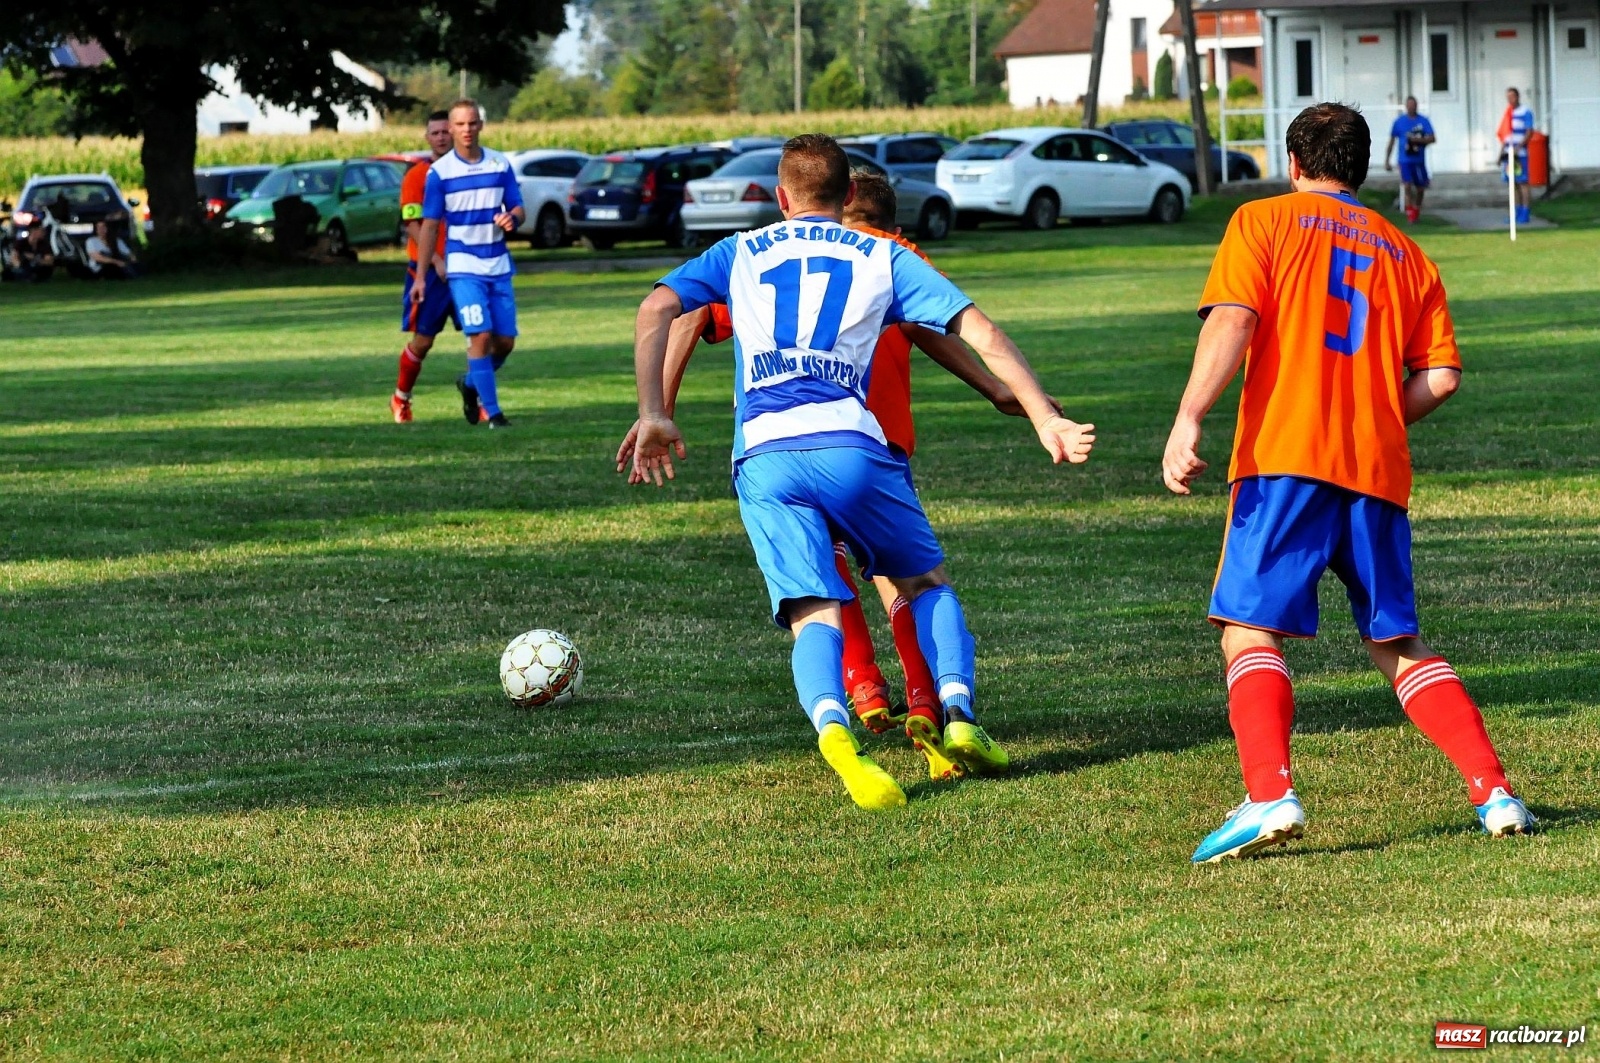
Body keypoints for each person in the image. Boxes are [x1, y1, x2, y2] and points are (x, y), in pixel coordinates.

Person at [629, 134, 1096, 809]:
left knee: (814, 610)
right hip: (853, 444)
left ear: (781, 196)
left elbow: (658, 309)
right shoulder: (885, 254)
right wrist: (1041, 415)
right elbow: (980, 332)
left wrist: (653, 411)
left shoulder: (739, 251)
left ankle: (837, 731)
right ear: (851, 195)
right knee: (921, 581)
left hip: (764, 454)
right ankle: (958, 712)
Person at [1161, 102, 1533, 863]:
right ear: (1360, 169)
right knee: (1398, 641)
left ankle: (1270, 792)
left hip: (1284, 456)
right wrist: (1374, 414)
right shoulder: (1408, 252)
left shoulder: (1261, 221)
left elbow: (1231, 319)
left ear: (1294, 163)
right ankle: (1495, 792)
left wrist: (1189, 416)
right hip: (1375, 469)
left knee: (1248, 628)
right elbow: (1442, 377)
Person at [411, 98, 524, 428]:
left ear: (481, 125)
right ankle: (495, 415)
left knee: (506, 342)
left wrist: (511, 219)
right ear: (450, 128)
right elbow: (429, 225)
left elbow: (518, 207)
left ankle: (470, 383)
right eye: (459, 125)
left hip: (498, 264)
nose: (466, 130)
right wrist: (421, 276)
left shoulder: (499, 165)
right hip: (463, 266)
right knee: (480, 336)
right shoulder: (440, 173)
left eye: (472, 123)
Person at [391, 110, 460, 424]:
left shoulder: (467, 171)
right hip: (431, 272)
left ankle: (486, 402)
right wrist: (435, 260)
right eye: (436, 133)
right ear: (427, 138)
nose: (442, 137)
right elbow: (414, 225)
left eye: (446, 131)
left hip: (467, 269)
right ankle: (401, 398)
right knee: (424, 340)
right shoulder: (417, 176)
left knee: (482, 337)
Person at [1384, 96, 1435, 223]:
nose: (1412, 107)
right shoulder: (1399, 122)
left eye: (1414, 105)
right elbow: (1392, 141)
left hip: (1418, 160)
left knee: (1420, 188)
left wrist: (1418, 140)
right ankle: (1410, 214)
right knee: (1407, 185)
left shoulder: (1423, 121)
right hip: (1404, 160)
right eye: (1409, 105)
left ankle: (1416, 209)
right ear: (1406, 106)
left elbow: (1432, 138)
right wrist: (1387, 160)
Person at [1498, 87, 1535, 226]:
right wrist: (1501, 152)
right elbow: (1505, 134)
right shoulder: (1508, 113)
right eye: (1508, 97)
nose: (1510, 99)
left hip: (1520, 154)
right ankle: (1516, 212)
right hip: (1508, 153)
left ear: (1518, 97)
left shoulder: (1525, 112)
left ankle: (1525, 211)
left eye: (1512, 96)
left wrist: (1519, 147)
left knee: (1522, 182)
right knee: (1512, 183)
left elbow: (1529, 131)